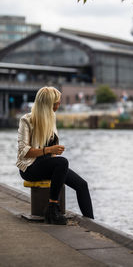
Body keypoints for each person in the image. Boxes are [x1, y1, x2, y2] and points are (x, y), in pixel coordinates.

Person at [17, 86, 94, 225]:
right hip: (30, 168)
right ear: (47, 105)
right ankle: (52, 208)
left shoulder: (51, 117)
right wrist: (49, 150)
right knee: (62, 162)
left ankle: (92, 223)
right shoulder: (26, 120)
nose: (59, 105)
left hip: (48, 164)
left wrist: (52, 151)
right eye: (56, 103)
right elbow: (23, 151)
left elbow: (51, 155)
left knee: (82, 185)